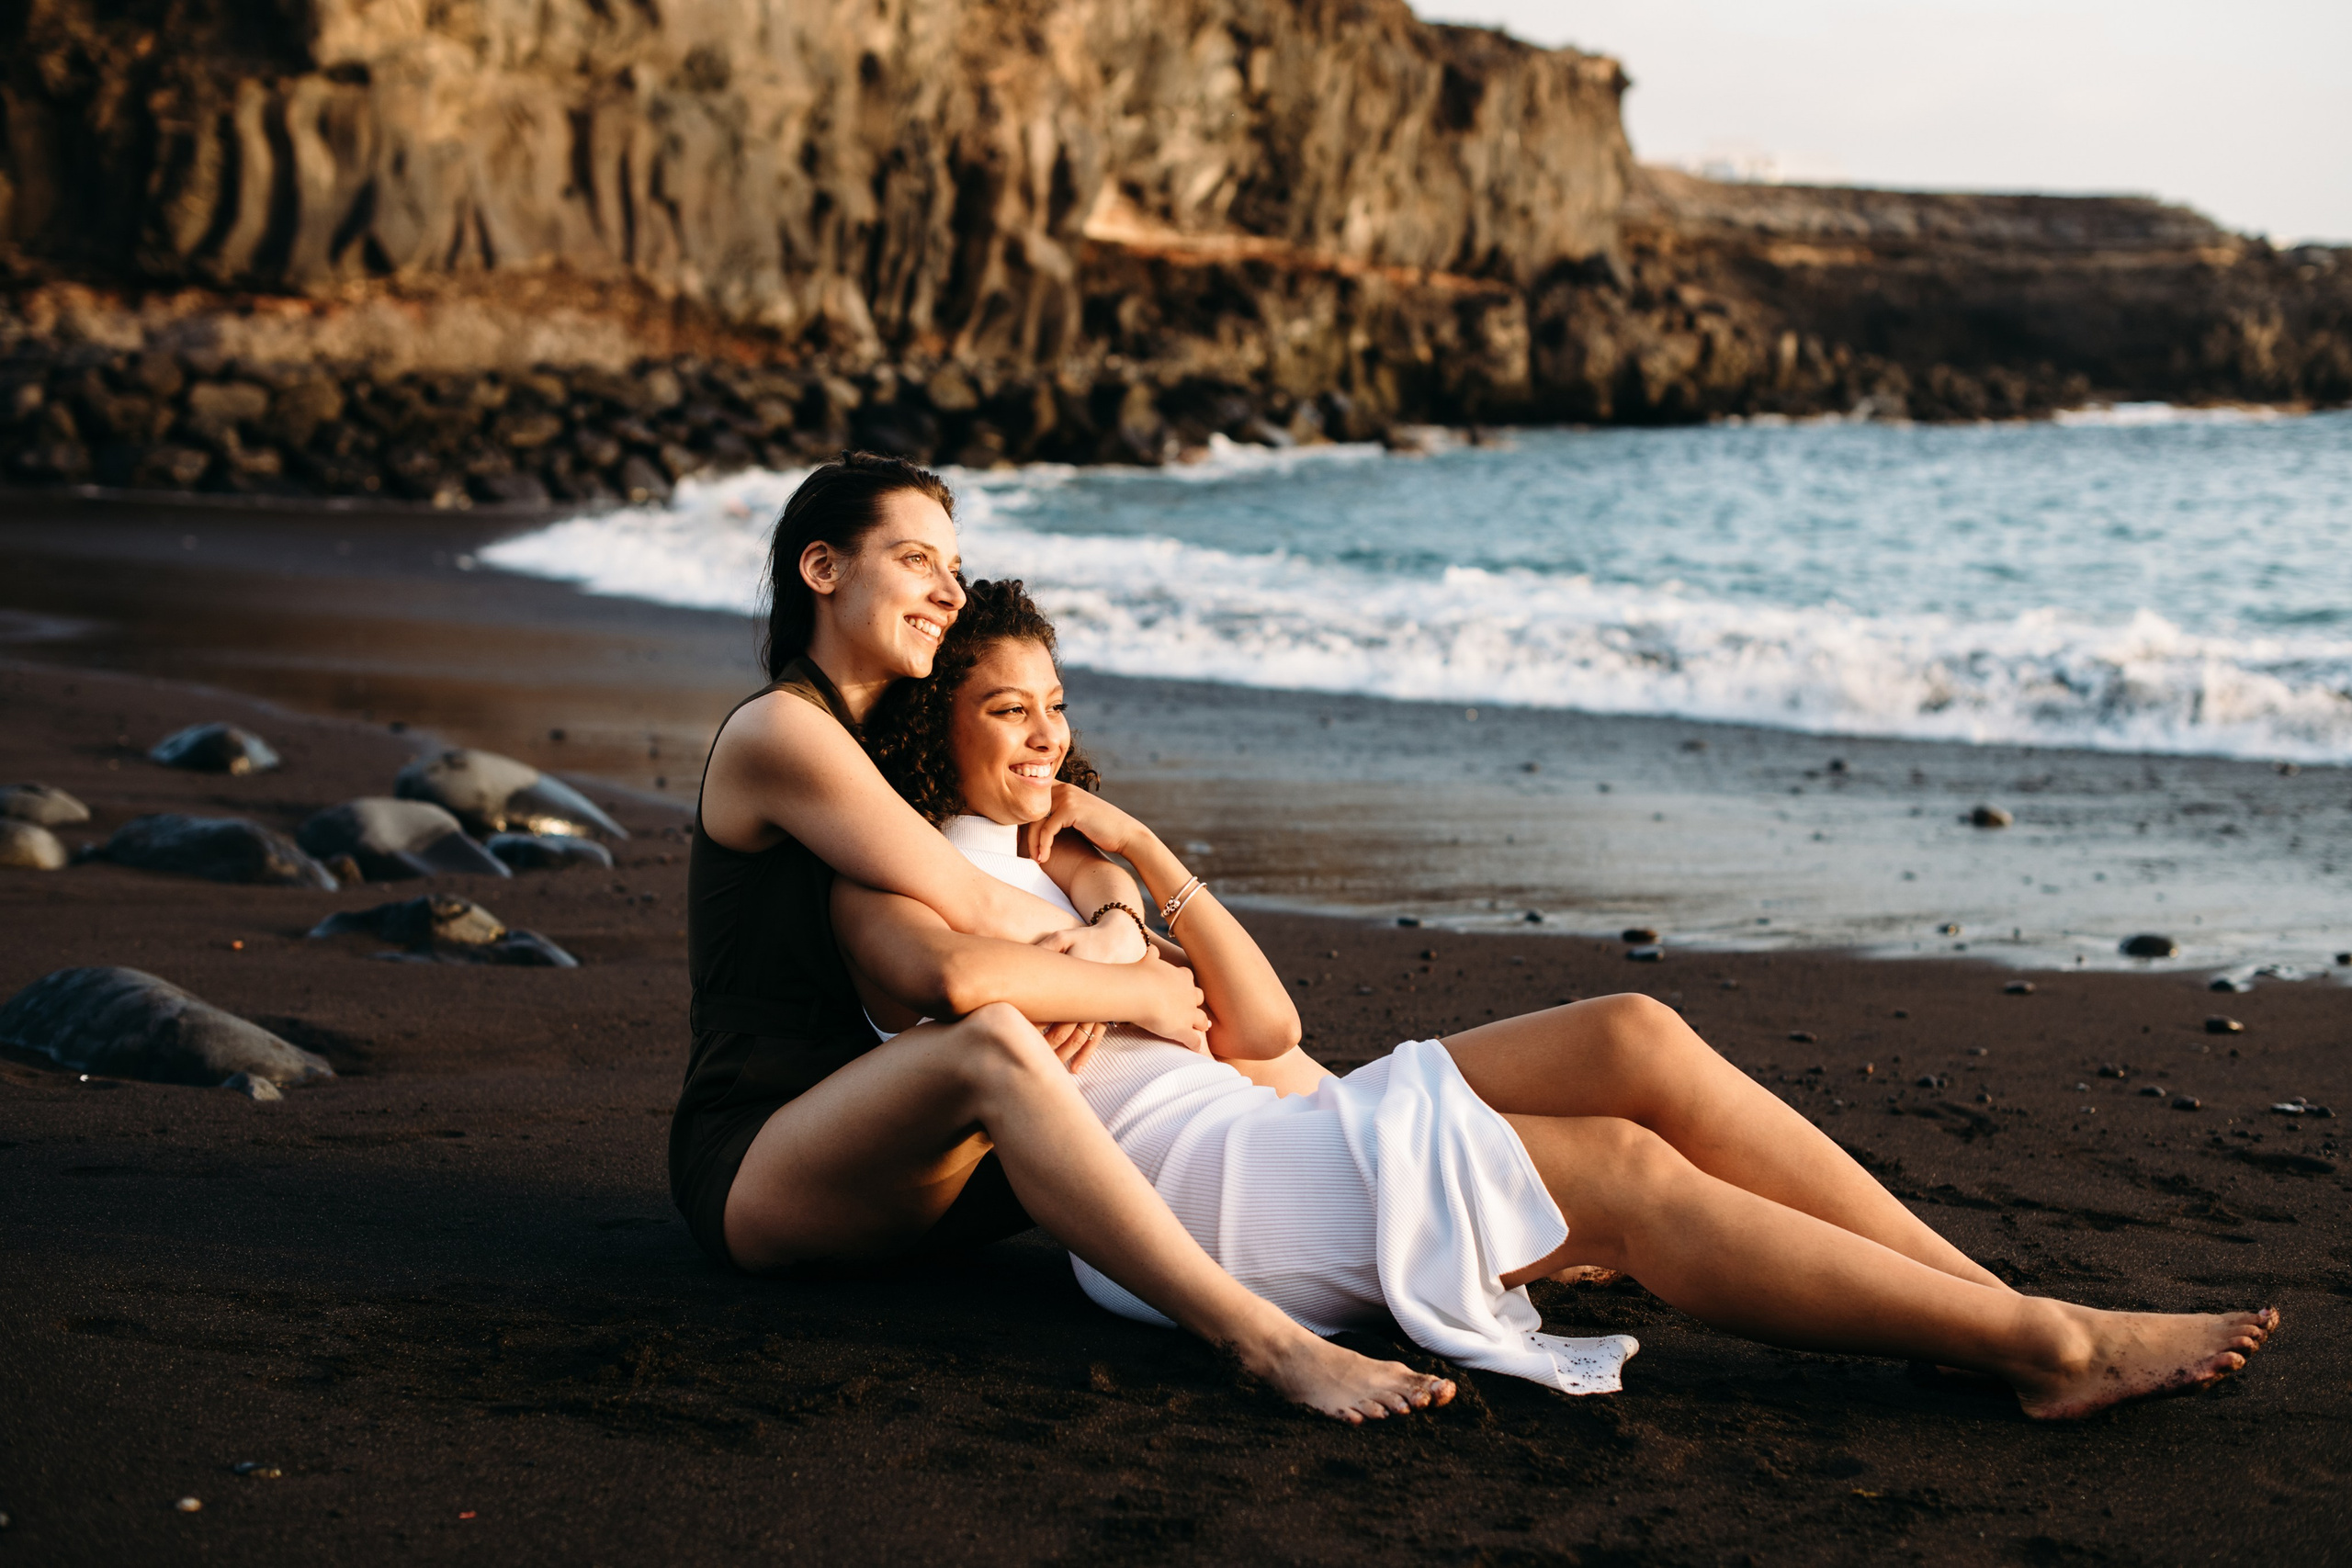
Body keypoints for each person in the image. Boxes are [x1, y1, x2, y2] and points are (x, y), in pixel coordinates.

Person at [833, 577, 2279, 1419]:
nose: (1046, 736)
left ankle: (1984, 1301)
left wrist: (1140, 857)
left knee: (1635, 1033)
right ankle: (2050, 1346)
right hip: (1191, 1199)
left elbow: (1263, 1029)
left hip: (1265, 1119)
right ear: (932, 728)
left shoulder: (1073, 860)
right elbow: (957, 987)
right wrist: (1122, 974)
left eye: (1056, 702)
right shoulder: (896, 877)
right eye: (1006, 708)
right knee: (1622, 1174)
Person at [672, 452, 1453, 1423]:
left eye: (954, 568)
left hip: (929, 1158)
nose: (949, 592)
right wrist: (1141, 981)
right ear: (822, 569)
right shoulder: (780, 732)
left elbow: (1055, 860)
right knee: (998, 1036)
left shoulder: (899, 746)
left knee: (1187, 1043)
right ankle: (1267, 1344)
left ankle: (1431, 1197)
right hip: (772, 1157)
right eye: (917, 560)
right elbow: (972, 903)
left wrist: (1119, 919)